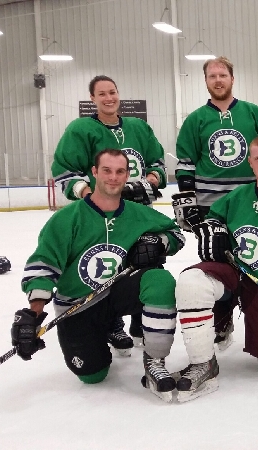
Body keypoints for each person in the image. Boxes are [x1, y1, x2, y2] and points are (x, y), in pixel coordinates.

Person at [16, 149, 184, 402]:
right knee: (92, 375)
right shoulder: (67, 219)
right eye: (107, 170)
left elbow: (176, 234)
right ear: (94, 172)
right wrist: (34, 314)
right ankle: (103, 330)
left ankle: (154, 362)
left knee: (160, 281)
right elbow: (44, 264)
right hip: (79, 303)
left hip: (117, 291)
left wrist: (158, 242)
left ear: (127, 175)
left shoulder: (139, 213)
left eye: (120, 171)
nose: (113, 177)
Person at [172, 136, 258, 402]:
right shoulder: (238, 196)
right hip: (236, 275)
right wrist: (212, 229)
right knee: (192, 282)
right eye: (257, 158)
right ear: (250, 162)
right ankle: (204, 360)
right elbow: (214, 219)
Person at [51, 75, 168, 354]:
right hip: (102, 217)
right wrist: (89, 195)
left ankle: (142, 321)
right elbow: (65, 171)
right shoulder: (81, 129)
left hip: (140, 213)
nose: (108, 98)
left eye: (112, 92)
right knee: (108, 266)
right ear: (92, 98)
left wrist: (150, 181)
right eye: (101, 94)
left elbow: (157, 162)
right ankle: (111, 323)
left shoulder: (138, 127)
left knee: (147, 260)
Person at [173, 56, 258, 349]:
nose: (218, 80)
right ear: (206, 81)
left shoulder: (253, 113)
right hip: (210, 206)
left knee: (257, 257)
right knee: (216, 263)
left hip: (249, 202)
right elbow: (186, 163)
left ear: (232, 79)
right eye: (212, 76)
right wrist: (189, 201)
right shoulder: (196, 119)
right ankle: (222, 316)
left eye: (222, 75)